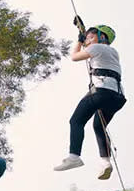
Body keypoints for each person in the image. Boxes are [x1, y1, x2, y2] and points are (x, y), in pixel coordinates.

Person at [53, 21, 126, 179]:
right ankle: (106, 162)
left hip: (101, 92)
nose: (88, 40)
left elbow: (74, 57)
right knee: (99, 127)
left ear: (100, 37)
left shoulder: (96, 47)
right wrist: (83, 34)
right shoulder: (113, 52)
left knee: (76, 121)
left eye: (91, 37)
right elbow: (90, 51)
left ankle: (74, 156)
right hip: (117, 98)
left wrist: (79, 41)